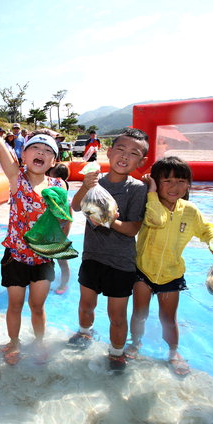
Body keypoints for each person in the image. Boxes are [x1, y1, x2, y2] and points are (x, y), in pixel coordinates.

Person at [0, 97, 67, 364]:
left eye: (48, 152)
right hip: (16, 257)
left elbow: (64, 224)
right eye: (35, 148)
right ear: (24, 154)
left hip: (43, 259)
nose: (41, 154)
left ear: (54, 160)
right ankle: (13, 342)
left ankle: (39, 342)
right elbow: (0, 149)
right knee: (15, 304)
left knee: (37, 306)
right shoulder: (16, 179)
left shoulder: (59, 185)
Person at [125, 156, 213, 376]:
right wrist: (151, 193)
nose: (174, 187)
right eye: (167, 181)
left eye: (181, 181)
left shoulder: (190, 211)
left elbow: (207, 230)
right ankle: (135, 343)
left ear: (189, 184)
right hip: (143, 270)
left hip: (171, 274)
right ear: (155, 183)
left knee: (168, 318)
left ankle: (173, 351)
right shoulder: (148, 205)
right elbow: (157, 219)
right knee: (139, 313)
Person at [67, 128, 149, 372]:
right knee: (86, 304)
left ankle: (116, 352)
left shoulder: (136, 189)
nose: (125, 156)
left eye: (133, 153)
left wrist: (108, 219)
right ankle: (84, 333)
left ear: (141, 161)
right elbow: (75, 205)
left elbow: (133, 228)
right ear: (109, 152)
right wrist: (84, 187)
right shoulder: (96, 182)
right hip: (92, 257)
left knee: (117, 314)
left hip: (121, 263)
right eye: (120, 150)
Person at [47, 163, 71, 295]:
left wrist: (63, 237)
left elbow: (68, 221)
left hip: (60, 235)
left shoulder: (65, 199)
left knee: (62, 260)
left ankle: (64, 283)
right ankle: (46, 280)